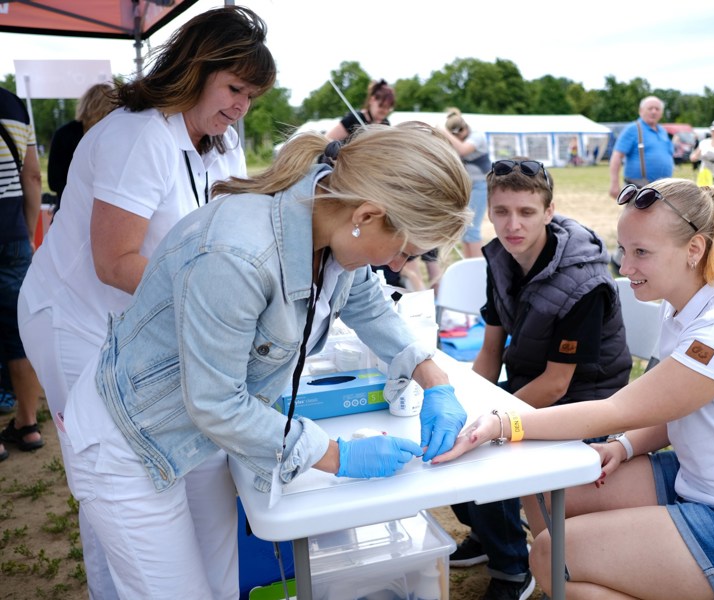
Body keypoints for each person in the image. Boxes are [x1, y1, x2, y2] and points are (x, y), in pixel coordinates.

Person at [60, 123, 472, 597]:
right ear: (368, 214)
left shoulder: (330, 221)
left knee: (218, 583)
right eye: (403, 251)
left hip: (198, 433)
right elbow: (217, 403)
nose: (400, 265)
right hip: (130, 441)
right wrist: (336, 456)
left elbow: (367, 302)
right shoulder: (238, 255)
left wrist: (432, 376)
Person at [435, 179, 714, 600]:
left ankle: (583, 575)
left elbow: (619, 409)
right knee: (546, 487)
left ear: (695, 250)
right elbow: (675, 407)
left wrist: (502, 424)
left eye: (642, 252)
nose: (625, 266)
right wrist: (622, 447)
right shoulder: (687, 301)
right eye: (623, 249)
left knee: (551, 554)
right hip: (702, 480)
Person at [17, 6, 276, 597]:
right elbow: (115, 263)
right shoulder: (137, 135)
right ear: (195, 67)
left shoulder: (221, 141)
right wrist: (215, 299)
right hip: (73, 318)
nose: (241, 106)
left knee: (172, 440)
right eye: (234, 88)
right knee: (109, 460)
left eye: (251, 95)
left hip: (138, 315)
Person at [450, 158, 632, 600]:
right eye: (501, 212)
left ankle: (513, 568)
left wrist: (489, 421)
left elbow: (557, 384)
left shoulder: (583, 281)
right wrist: (470, 406)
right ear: (487, 212)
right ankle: (490, 534)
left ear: (549, 212)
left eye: (527, 212)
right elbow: (491, 349)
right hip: (534, 385)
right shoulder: (501, 259)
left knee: (486, 455)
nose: (512, 225)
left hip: (586, 398)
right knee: (452, 437)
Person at [0, 87, 44, 463]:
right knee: (20, 333)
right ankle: (28, 425)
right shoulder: (13, 105)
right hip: (13, 234)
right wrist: (26, 233)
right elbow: (32, 177)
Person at [47, 82, 116, 206]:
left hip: (75, 208)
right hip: (79, 208)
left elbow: (54, 181)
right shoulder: (112, 135)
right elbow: (54, 181)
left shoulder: (63, 133)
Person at [442, 108, 491, 258]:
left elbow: (463, 150)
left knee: (473, 229)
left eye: (458, 134)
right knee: (464, 229)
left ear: (463, 128)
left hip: (480, 186)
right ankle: (468, 264)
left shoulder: (477, 136)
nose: (459, 138)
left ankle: (477, 267)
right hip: (466, 188)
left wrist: (444, 132)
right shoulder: (458, 138)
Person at [608, 95, 674, 199]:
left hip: (662, 189)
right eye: (650, 108)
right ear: (641, 111)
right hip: (639, 189)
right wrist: (614, 183)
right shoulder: (633, 129)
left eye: (657, 109)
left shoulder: (663, 131)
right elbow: (617, 156)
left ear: (661, 113)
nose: (654, 111)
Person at [325, 79, 395, 142]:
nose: (385, 111)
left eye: (388, 108)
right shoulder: (353, 119)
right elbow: (326, 140)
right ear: (372, 100)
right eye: (382, 106)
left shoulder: (386, 123)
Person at [690, 120, 714, 185]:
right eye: (713, 131)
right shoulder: (704, 143)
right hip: (705, 176)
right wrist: (698, 155)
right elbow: (693, 158)